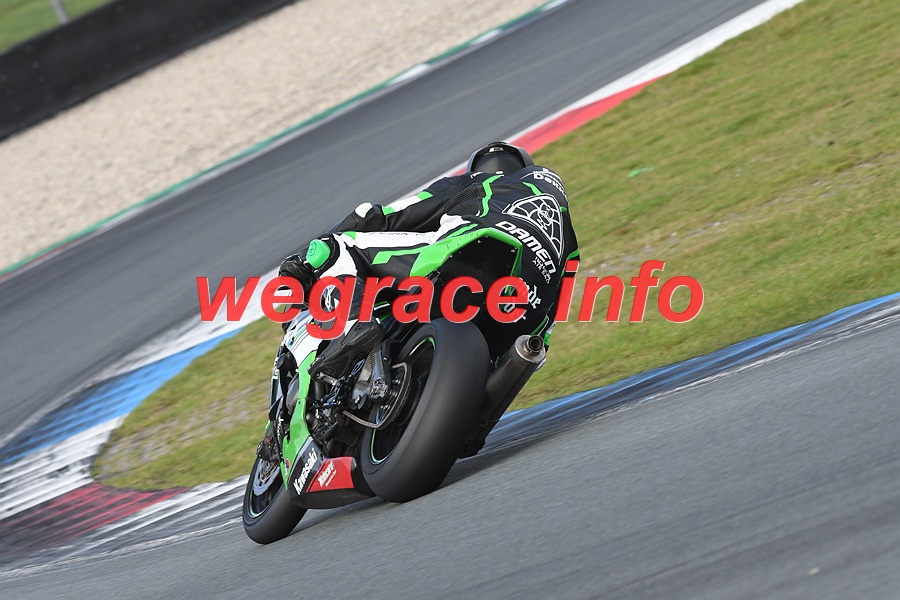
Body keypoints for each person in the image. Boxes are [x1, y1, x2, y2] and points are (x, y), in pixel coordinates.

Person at [278, 141, 579, 375]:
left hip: (471, 250)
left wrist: (308, 261)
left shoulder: (476, 182)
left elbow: (382, 217)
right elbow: (558, 307)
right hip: (523, 317)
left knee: (341, 247)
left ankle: (355, 326)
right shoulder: (568, 237)